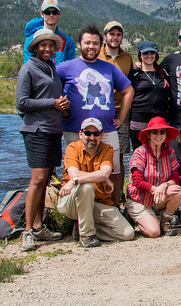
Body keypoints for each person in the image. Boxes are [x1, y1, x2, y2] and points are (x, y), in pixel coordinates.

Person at [58, 24, 134, 206]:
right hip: (74, 129)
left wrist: (121, 118)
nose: (91, 47)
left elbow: (128, 90)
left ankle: (113, 206)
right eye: (87, 43)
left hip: (107, 128)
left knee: (114, 169)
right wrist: (57, 107)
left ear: (100, 45)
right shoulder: (65, 68)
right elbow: (50, 88)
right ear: (80, 44)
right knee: (75, 170)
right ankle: (79, 214)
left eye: (95, 43)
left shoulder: (109, 68)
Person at [16, 28, 67, 251]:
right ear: (35, 47)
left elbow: (50, 99)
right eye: (43, 45)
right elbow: (22, 103)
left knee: (45, 181)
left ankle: (39, 226)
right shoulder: (28, 69)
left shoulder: (51, 68)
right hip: (36, 131)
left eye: (51, 45)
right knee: (37, 180)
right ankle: (28, 231)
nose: (47, 48)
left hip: (53, 130)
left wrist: (62, 107)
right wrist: (52, 103)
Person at [56, 118, 134, 247]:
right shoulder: (72, 148)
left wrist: (75, 180)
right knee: (86, 187)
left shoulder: (107, 149)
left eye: (96, 134)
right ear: (81, 134)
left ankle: (81, 228)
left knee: (127, 233)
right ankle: (87, 235)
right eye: (87, 133)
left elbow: (104, 173)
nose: (92, 137)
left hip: (96, 203)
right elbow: (74, 173)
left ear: (101, 135)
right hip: (70, 202)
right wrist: (97, 177)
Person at [126, 116, 181, 237]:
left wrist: (164, 185)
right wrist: (155, 189)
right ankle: (131, 214)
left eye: (162, 132)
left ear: (166, 134)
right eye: (155, 132)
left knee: (177, 191)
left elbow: (175, 178)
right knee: (154, 232)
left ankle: (166, 220)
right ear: (148, 134)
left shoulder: (170, 152)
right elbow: (137, 181)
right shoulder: (140, 152)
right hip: (139, 198)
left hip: (157, 196)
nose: (159, 135)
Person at [98, 21, 133, 186]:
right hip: (98, 111)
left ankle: (118, 194)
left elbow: (130, 81)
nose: (115, 38)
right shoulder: (95, 55)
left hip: (121, 112)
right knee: (96, 151)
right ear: (105, 36)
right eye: (112, 34)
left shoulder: (127, 57)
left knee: (118, 154)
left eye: (118, 35)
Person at [128, 41, 171, 149]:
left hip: (161, 118)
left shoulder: (164, 73)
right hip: (139, 119)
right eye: (145, 53)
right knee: (140, 152)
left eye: (152, 53)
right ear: (140, 55)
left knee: (160, 152)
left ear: (156, 55)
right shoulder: (134, 74)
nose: (149, 55)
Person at [22, 0, 76, 65]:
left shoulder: (67, 41)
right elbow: (29, 64)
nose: (51, 15)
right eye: (47, 12)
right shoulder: (32, 39)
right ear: (42, 14)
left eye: (54, 12)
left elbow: (71, 65)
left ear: (59, 14)